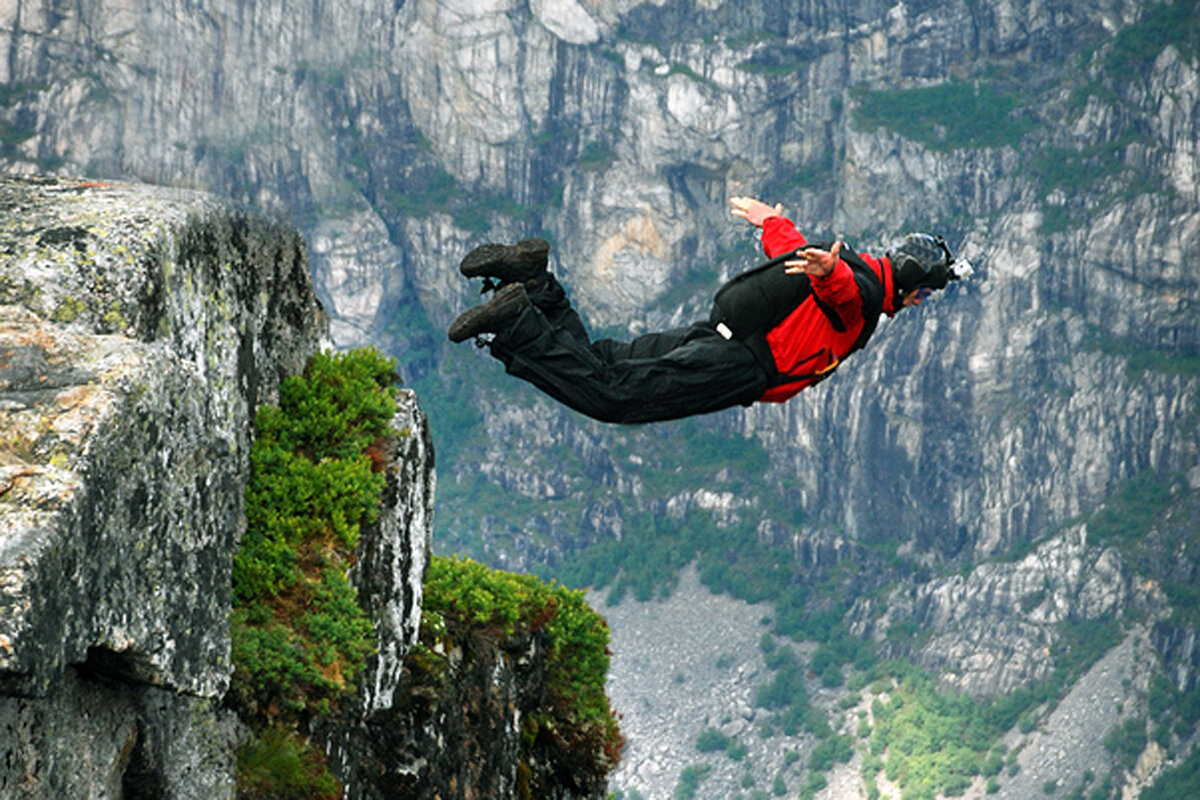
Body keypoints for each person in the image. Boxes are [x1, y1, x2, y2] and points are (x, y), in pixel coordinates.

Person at [447, 196, 973, 424]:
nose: (920, 303)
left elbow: (792, 248)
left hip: (715, 332)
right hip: (739, 366)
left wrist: (768, 220)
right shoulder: (863, 296)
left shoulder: (856, 265)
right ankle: (515, 316)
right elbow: (841, 295)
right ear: (910, 289)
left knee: (603, 361)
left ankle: (534, 283)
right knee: (611, 396)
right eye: (924, 294)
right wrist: (827, 274)